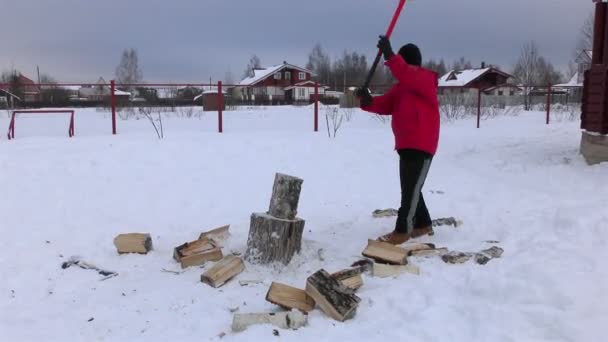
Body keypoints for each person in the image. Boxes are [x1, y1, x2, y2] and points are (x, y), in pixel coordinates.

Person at [356, 36, 440, 245]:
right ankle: (423, 224)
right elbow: (384, 105)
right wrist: (367, 101)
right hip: (406, 144)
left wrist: (390, 55)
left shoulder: (424, 79)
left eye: (400, 62)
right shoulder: (402, 87)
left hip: (421, 144)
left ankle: (403, 230)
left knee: (410, 189)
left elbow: (405, 73)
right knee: (411, 188)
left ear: (407, 62)